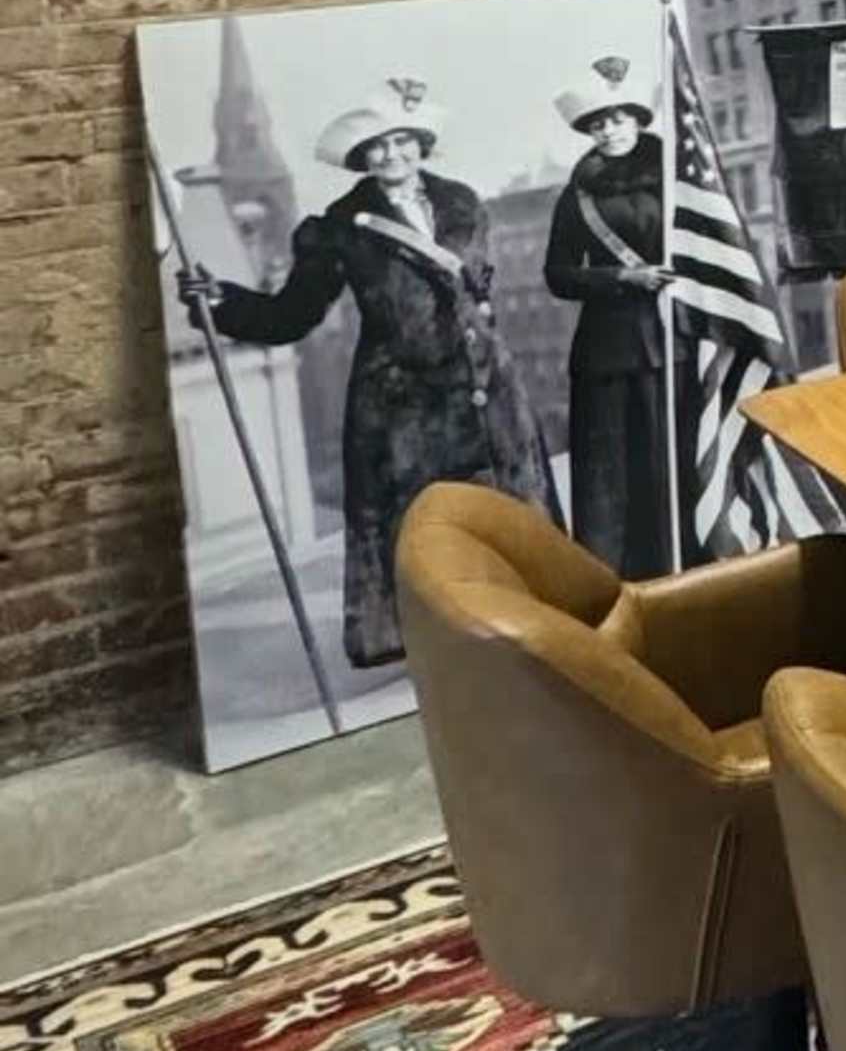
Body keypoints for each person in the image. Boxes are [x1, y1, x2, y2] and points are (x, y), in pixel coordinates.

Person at [177, 78, 552, 664]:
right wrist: (220, 300)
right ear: (360, 156)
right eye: (376, 146)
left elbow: (480, 290)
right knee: (425, 532)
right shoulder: (339, 229)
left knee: (505, 515)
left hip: (488, 391)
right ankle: (445, 648)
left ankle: (522, 623)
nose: (391, 155)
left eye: (402, 141)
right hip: (401, 409)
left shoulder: (463, 205)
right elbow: (290, 316)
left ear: (421, 143)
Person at [543, 59, 679, 577]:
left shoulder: (676, 177)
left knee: (669, 460)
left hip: (674, 339)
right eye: (599, 123)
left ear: (638, 120)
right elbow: (557, 275)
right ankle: (618, 580)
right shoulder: (576, 197)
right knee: (611, 477)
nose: (610, 130)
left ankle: (682, 563)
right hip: (607, 351)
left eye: (620, 119)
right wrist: (621, 279)